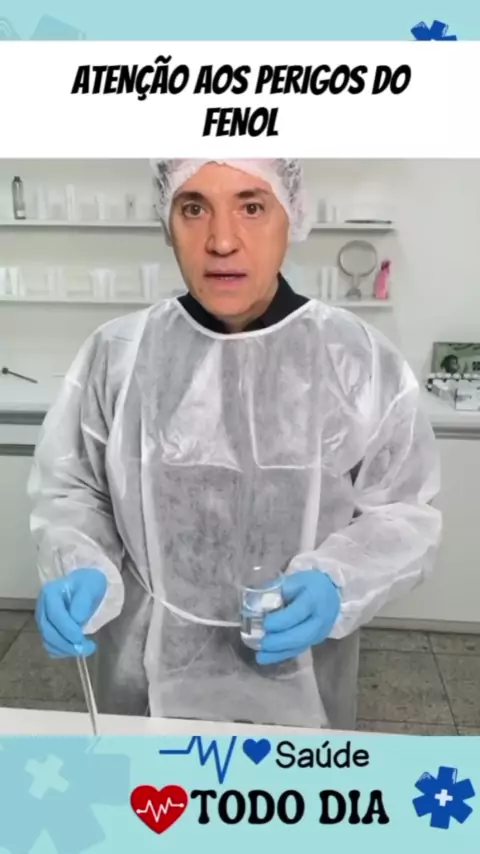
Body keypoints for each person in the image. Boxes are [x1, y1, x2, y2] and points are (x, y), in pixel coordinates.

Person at [29, 159, 442, 730]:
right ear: (167, 222)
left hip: (302, 689)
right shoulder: (119, 356)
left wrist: (340, 579)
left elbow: (403, 511)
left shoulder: (358, 362)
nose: (222, 240)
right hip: (145, 686)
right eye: (194, 207)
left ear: (291, 216)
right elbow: (75, 489)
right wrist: (81, 561)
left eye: (251, 206)